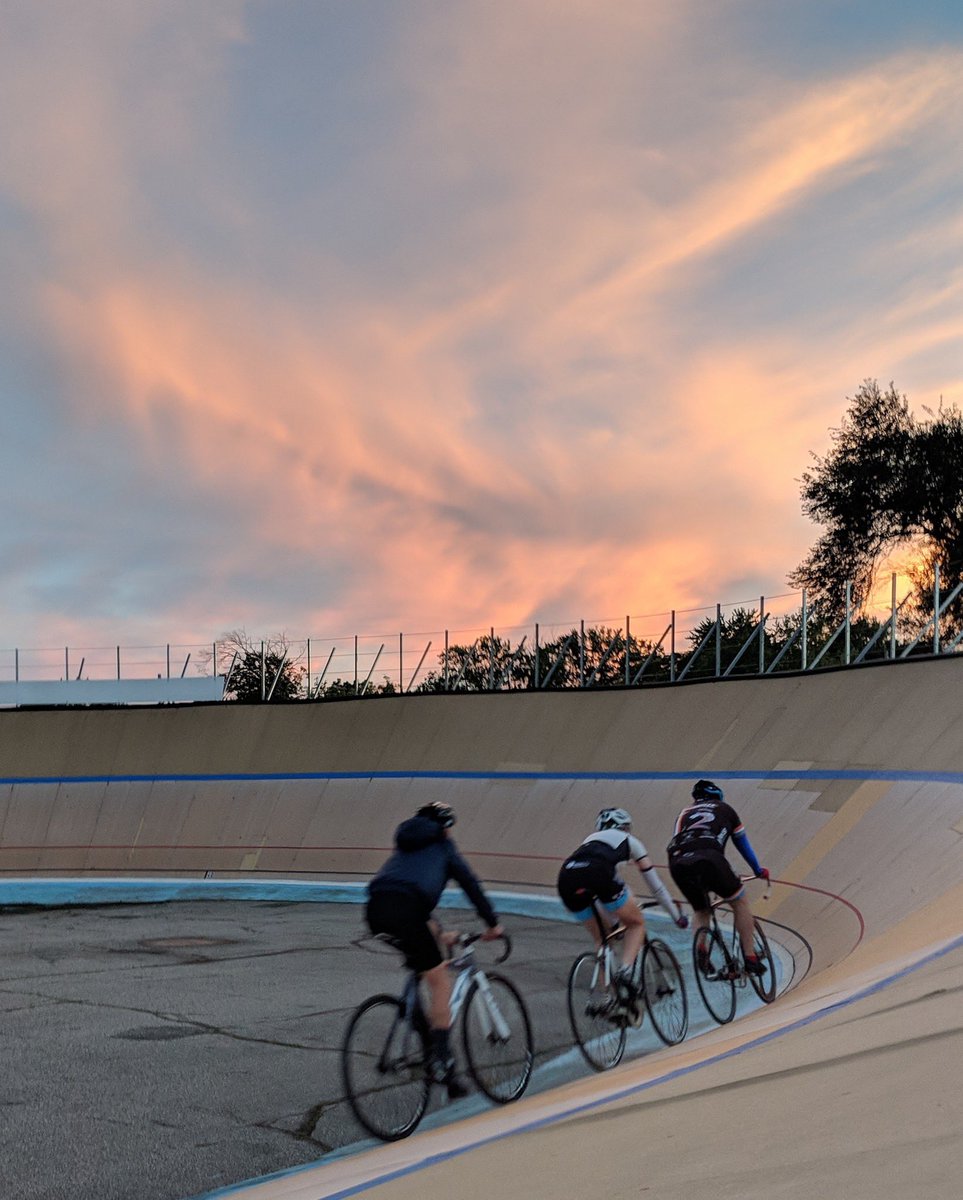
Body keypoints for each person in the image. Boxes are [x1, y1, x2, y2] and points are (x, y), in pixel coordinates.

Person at [366, 800, 504, 1098]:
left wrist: (442, 934)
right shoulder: (443, 846)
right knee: (440, 980)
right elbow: (469, 884)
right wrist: (493, 924)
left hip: (376, 907)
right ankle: (442, 1060)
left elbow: (407, 895)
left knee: (421, 964)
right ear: (445, 827)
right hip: (409, 910)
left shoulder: (405, 845)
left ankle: (429, 1045)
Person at [557, 807, 689, 1021]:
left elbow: (601, 896)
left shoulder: (589, 841)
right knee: (636, 923)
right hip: (598, 874)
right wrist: (677, 916)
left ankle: (608, 998)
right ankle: (626, 971)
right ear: (625, 827)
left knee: (603, 940)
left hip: (566, 878)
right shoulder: (631, 842)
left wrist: (614, 920)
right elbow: (656, 887)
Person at [667, 780, 770, 977]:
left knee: (701, 909)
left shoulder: (684, 813)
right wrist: (757, 869)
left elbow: (678, 840)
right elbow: (742, 844)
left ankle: (701, 948)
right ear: (718, 796)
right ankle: (750, 957)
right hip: (709, 858)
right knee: (739, 901)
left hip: (677, 861)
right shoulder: (725, 809)